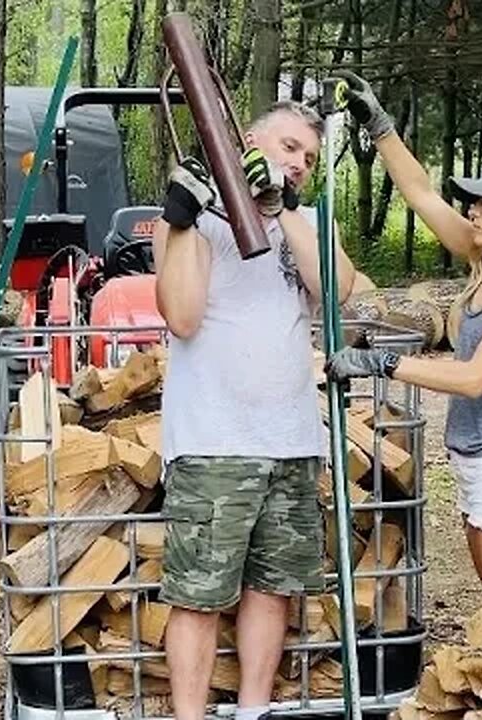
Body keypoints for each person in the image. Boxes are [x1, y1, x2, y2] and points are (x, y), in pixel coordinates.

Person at [323, 70, 482, 601]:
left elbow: (475, 377)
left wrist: (379, 365)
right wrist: (379, 125)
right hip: (474, 461)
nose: (472, 210)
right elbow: (418, 192)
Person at [152, 99, 356, 720]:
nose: (298, 163)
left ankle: (253, 712)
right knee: (198, 595)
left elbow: (337, 292)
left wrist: (285, 208)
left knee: (272, 589)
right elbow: (181, 317)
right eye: (288, 147)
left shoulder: (308, 220)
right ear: (247, 142)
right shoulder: (196, 222)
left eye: (310, 157)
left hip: (292, 438)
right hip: (214, 439)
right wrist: (183, 218)